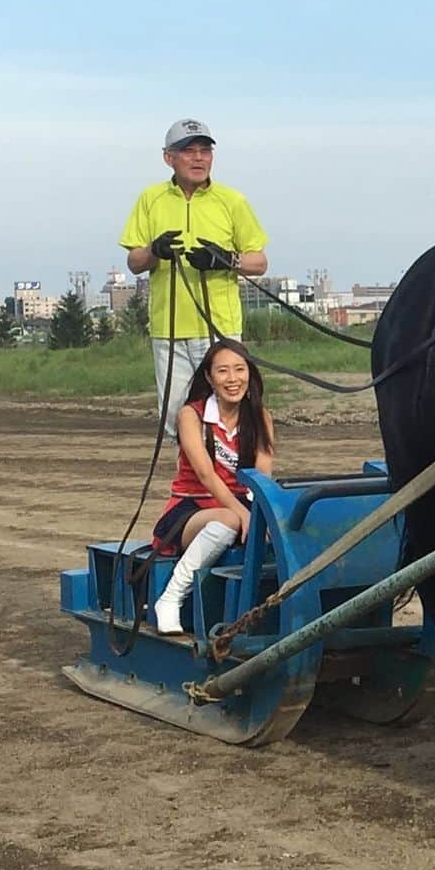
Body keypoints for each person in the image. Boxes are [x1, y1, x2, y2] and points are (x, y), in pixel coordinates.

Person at [119, 118, 269, 438]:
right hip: (168, 329)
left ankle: (229, 483)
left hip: (220, 329)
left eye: (205, 151)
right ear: (168, 158)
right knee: (177, 419)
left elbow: (259, 262)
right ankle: (191, 484)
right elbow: (133, 261)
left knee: (227, 416)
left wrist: (227, 260)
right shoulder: (150, 199)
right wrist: (154, 251)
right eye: (189, 151)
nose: (199, 158)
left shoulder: (232, 201)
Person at [152, 340, 274, 635]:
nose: (233, 379)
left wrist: (264, 517)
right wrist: (244, 517)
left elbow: (263, 477)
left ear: (250, 373)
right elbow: (206, 475)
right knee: (231, 520)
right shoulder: (191, 416)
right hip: (191, 508)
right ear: (209, 377)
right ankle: (170, 598)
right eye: (223, 371)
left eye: (239, 370)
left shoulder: (261, 418)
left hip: (238, 504)